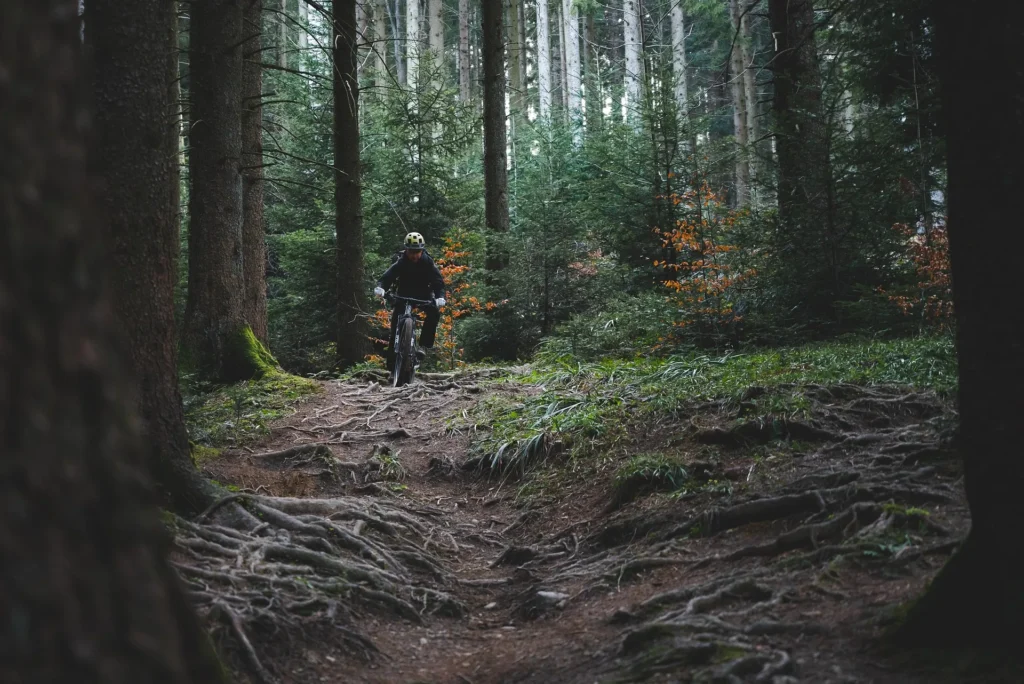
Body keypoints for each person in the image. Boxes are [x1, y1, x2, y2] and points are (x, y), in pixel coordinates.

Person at [373, 232, 447, 365]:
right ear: (406, 250)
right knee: (395, 325)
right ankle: (392, 364)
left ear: (422, 250)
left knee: (434, 313)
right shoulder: (401, 262)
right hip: (403, 294)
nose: (414, 255)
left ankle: (423, 346)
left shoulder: (428, 262)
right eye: (411, 251)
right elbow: (388, 276)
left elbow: (438, 282)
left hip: (423, 295)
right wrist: (381, 287)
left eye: (417, 252)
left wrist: (440, 297)